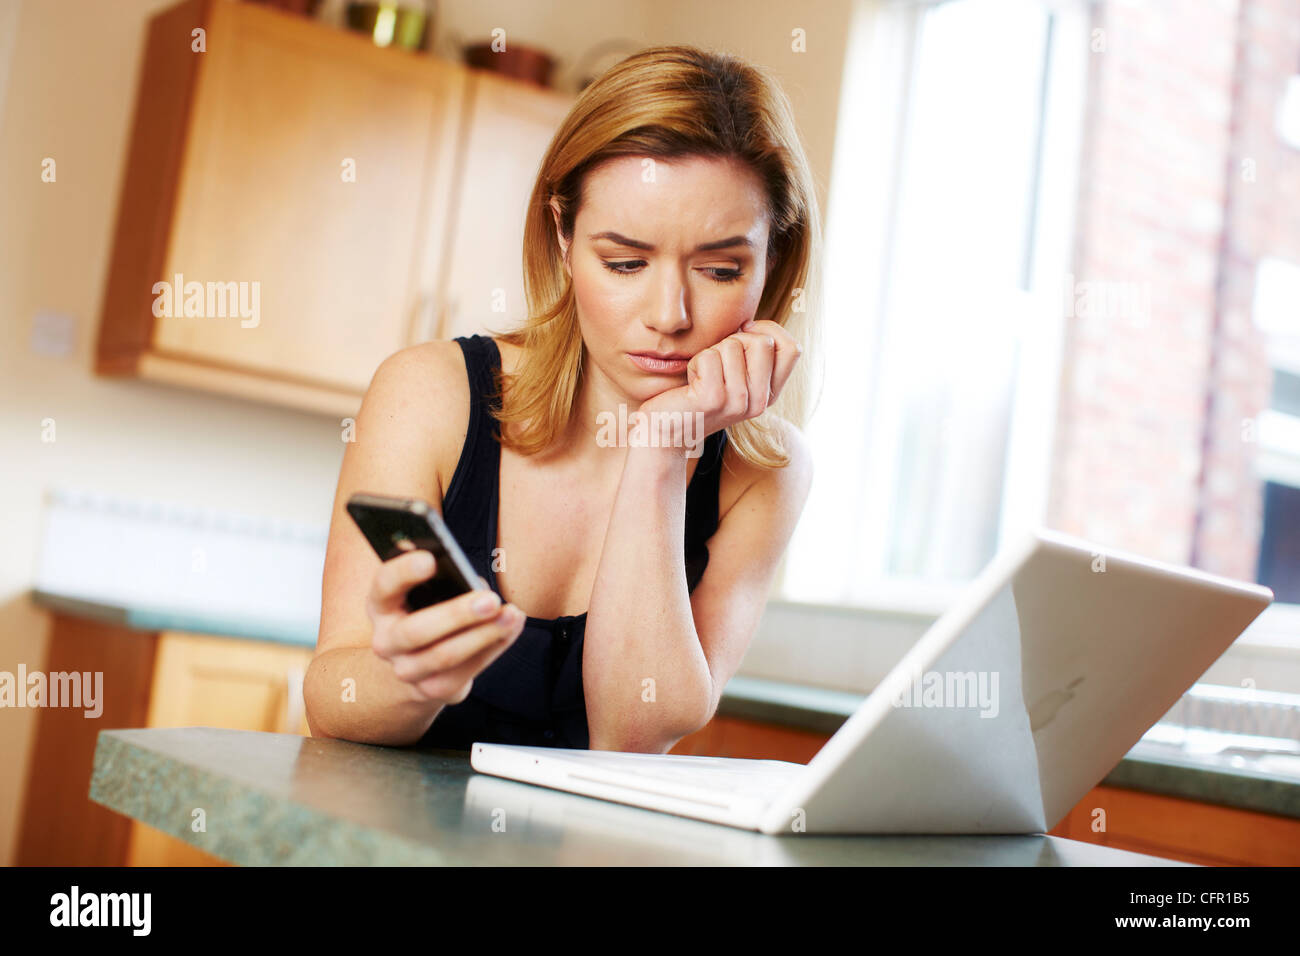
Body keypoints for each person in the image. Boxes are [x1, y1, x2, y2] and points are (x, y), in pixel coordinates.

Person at [304, 44, 822, 754]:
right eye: (626, 263)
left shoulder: (767, 472)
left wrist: (661, 456)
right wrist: (412, 679)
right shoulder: (429, 393)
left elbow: (632, 736)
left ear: (773, 261)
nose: (670, 314)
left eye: (721, 268)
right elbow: (332, 697)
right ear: (563, 235)